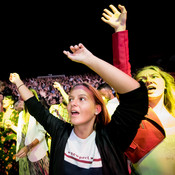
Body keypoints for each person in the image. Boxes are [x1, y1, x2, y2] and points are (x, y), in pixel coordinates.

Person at [9, 43, 148, 175]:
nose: (73, 103)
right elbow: (36, 108)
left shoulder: (112, 138)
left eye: (81, 98)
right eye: (70, 99)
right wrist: (18, 82)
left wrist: (90, 60)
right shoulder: (61, 132)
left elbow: (135, 97)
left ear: (97, 109)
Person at [102, 3, 175, 174]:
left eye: (154, 77)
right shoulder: (136, 117)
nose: (148, 81)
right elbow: (123, 75)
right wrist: (120, 30)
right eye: (142, 80)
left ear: (165, 83)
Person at [11, 88, 49, 175]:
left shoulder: (39, 113)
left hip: (37, 154)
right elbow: (22, 133)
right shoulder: (21, 114)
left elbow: (42, 134)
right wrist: (12, 126)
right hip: (24, 155)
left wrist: (28, 147)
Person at [0, 87, 19, 174]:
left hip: (12, 145)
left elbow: (21, 130)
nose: (4, 101)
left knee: (11, 169)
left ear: (12, 101)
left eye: (7, 99)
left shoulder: (16, 114)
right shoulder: (1, 115)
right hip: (1, 145)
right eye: (4, 99)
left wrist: (11, 125)